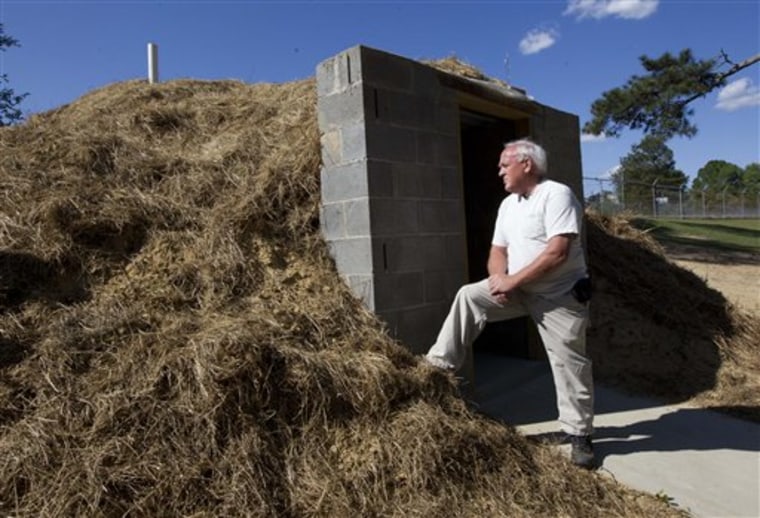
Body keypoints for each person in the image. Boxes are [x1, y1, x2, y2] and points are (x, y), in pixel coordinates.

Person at [424, 138, 595, 468]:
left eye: (505, 165)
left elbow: (557, 252)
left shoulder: (556, 194)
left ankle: (579, 435)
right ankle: (438, 366)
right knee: (470, 296)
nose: (499, 170)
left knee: (569, 363)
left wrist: (511, 281)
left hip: (558, 296)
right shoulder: (508, 204)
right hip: (519, 289)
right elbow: (497, 252)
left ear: (526, 165)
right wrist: (498, 280)